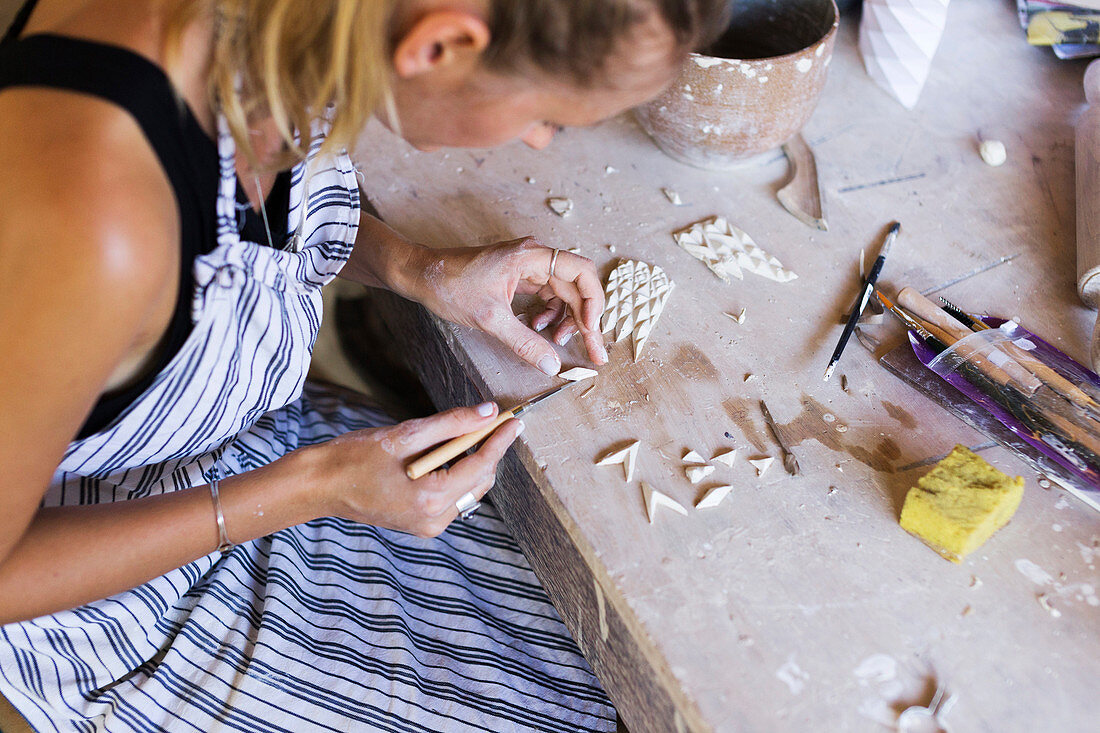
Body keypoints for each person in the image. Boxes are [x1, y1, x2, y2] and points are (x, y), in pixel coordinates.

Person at [0, 0, 726, 730]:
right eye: (552, 119)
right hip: (107, 613)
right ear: (440, 45)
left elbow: (253, 224)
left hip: (250, 451)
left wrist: (418, 268)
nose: (538, 143)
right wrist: (314, 487)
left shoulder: (297, 28)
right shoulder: (94, 217)